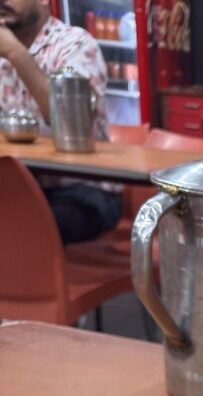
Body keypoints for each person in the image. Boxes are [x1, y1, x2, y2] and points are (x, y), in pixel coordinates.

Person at [0, 0, 121, 243]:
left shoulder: (75, 44)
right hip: (20, 187)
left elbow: (69, 122)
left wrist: (15, 53)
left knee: (28, 232)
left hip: (81, 189)